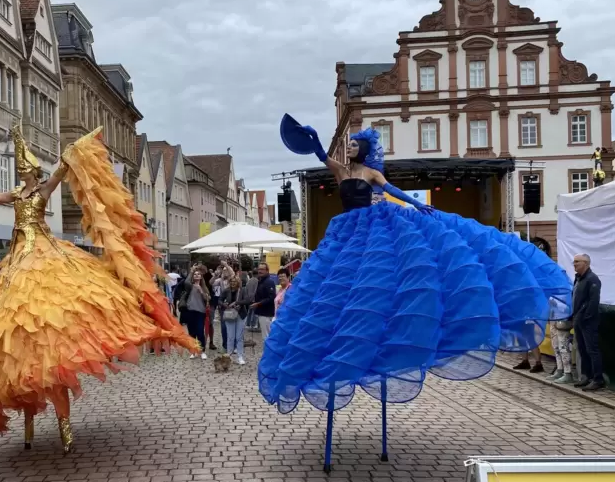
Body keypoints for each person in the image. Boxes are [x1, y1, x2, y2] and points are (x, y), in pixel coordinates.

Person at [0, 126, 198, 453]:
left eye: (25, 170)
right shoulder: (17, 195)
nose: (23, 174)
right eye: (20, 171)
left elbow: (60, 172)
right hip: (19, 259)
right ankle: (29, 418)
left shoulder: (41, 193)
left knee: (54, 306)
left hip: (45, 254)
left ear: (34, 172)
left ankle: (64, 412)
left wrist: (75, 151)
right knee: (17, 319)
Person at [257, 114, 572, 416]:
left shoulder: (370, 174)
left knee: (381, 280)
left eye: (354, 144)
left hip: (371, 230)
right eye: (349, 144)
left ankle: (390, 340)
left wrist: (420, 206)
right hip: (346, 234)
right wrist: (310, 139)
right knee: (335, 291)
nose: (350, 147)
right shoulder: (342, 171)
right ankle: (336, 353)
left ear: (364, 151)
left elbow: (393, 191)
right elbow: (322, 156)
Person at [571, 254, 603, 391]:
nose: (574, 264)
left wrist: (585, 318)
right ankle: (585, 376)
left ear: (586, 263)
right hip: (578, 319)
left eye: (577, 262)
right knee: (582, 349)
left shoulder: (592, 279)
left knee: (592, 350)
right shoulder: (578, 278)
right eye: (574, 261)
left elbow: (593, 302)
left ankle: (598, 379)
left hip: (588, 322)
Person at [220, 276, 249, 365]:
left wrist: (237, 303)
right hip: (230, 314)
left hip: (240, 314)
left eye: (235, 281)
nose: (233, 283)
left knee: (239, 337)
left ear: (238, 282)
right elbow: (219, 300)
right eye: (231, 281)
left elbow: (247, 300)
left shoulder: (242, 290)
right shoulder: (226, 290)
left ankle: (240, 356)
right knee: (230, 336)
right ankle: (229, 355)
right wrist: (225, 305)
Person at [182, 269, 209, 360]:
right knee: (192, 333)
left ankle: (202, 351)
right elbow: (186, 282)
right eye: (195, 274)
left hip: (200, 312)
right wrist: (191, 271)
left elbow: (208, 299)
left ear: (201, 277)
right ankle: (193, 351)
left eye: (198, 274)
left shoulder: (204, 287)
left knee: (200, 332)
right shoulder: (190, 286)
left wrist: (201, 290)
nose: (197, 275)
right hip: (190, 311)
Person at [251, 263, 276, 340]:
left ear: (267, 271)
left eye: (262, 269)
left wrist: (258, 304)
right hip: (262, 312)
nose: (260, 271)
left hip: (266, 314)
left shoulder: (269, 282)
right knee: (265, 336)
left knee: (267, 337)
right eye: (259, 269)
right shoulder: (261, 281)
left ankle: (267, 352)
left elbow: (271, 297)